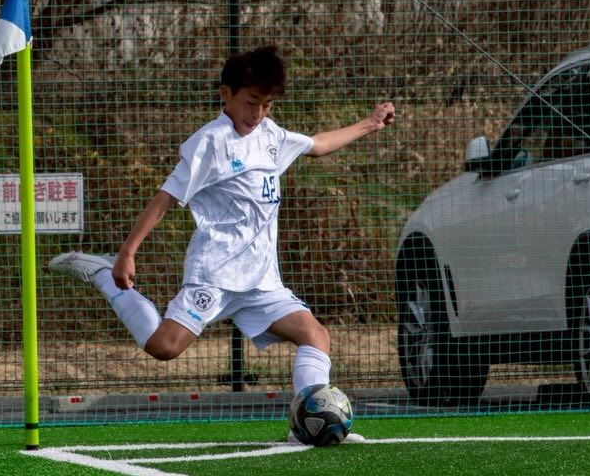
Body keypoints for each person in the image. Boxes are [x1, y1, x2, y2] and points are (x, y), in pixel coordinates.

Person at [49, 46, 393, 444]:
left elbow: (316, 145)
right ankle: (103, 273)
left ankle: (307, 427)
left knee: (315, 336)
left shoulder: (270, 136)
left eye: (266, 104)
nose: (258, 113)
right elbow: (165, 198)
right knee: (164, 347)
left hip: (262, 281)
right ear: (225, 94)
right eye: (251, 102)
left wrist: (369, 123)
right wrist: (127, 253)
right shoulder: (208, 144)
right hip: (215, 273)